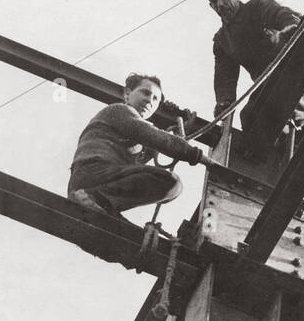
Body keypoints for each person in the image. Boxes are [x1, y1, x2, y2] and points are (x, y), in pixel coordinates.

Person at [205, 0, 304, 162]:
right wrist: (224, 103)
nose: (220, 4)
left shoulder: (259, 6)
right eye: (214, 1)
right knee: (249, 118)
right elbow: (224, 78)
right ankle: (278, 150)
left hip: (302, 74)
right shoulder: (222, 41)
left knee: (284, 92)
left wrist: (285, 35)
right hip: (269, 86)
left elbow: (285, 16)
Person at [68, 73, 209, 215]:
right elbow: (157, 138)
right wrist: (200, 157)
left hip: (95, 180)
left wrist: (182, 133)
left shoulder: (135, 140)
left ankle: (98, 202)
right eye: (145, 93)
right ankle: (94, 198)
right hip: (94, 171)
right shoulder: (120, 110)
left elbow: (144, 157)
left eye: (155, 99)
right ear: (127, 93)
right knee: (171, 182)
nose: (149, 101)